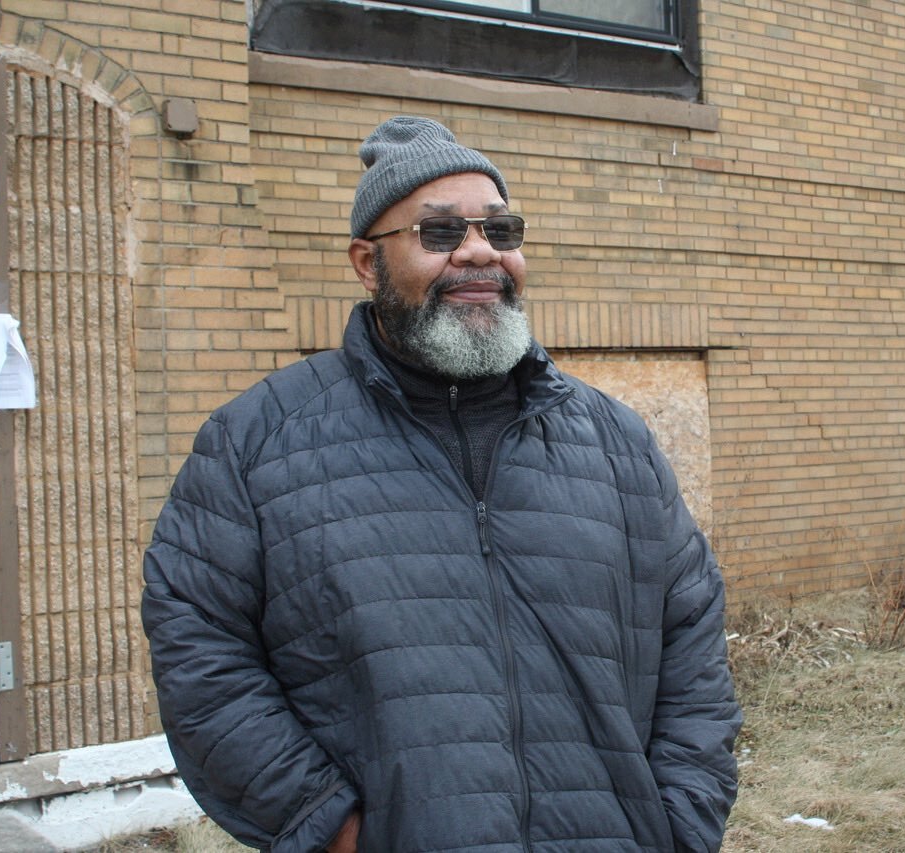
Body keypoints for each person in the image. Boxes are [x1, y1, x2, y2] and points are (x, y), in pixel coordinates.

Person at [142, 115, 741, 853]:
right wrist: (331, 827)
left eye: (502, 229)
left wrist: (680, 820)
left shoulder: (614, 442)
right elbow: (198, 649)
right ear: (368, 263)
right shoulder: (257, 443)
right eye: (438, 233)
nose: (480, 252)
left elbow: (692, 639)